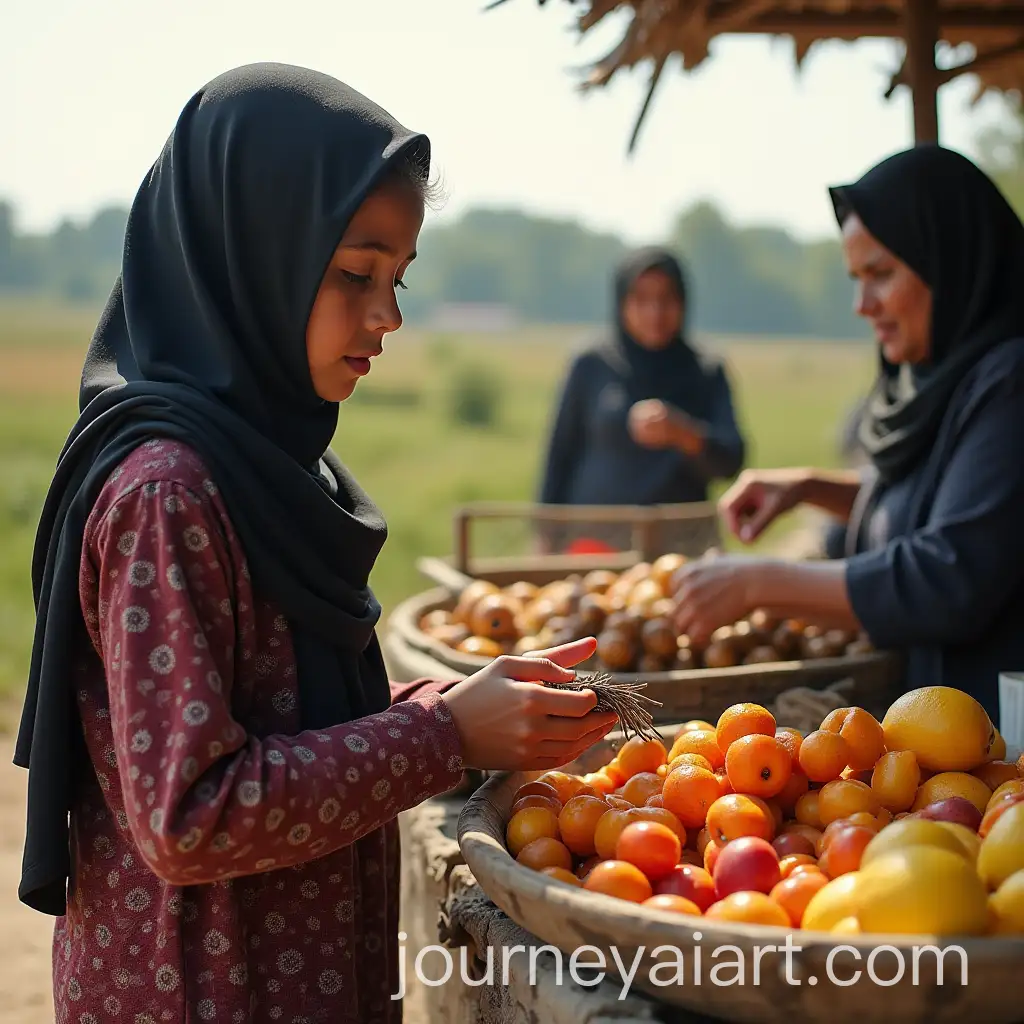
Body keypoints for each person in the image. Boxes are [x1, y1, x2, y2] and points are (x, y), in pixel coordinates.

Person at [13, 64, 618, 1024]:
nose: (388, 316)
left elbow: (282, 725)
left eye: (397, 278)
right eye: (353, 273)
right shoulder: (169, 494)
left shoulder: (265, 466)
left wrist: (450, 705)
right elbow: (189, 815)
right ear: (252, 254)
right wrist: (444, 733)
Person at [670, 144, 1024, 726]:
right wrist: (812, 487)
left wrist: (760, 582)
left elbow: (949, 573)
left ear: (951, 259)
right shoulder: (940, 374)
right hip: (930, 737)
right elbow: (938, 505)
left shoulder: (1010, 381)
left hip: (997, 754)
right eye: (856, 278)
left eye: (881, 274)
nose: (862, 305)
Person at [536, 247, 746, 554]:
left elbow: (731, 460)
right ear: (621, 303)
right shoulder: (592, 364)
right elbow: (559, 455)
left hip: (681, 547)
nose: (655, 313)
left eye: (666, 299)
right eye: (641, 300)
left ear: (684, 302)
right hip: (593, 544)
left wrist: (683, 433)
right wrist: (545, 535)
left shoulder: (705, 370)